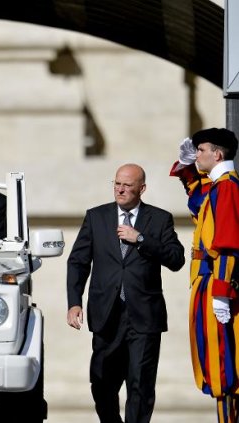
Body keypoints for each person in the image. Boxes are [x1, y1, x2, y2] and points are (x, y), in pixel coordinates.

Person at [66, 163, 185, 423]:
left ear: (141, 189)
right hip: (106, 314)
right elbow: (78, 261)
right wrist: (74, 302)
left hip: (144, 316)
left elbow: (177, 259)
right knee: (101, 382)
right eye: (117, 183)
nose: (120, 189)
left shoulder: (160, 218)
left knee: (140, 384)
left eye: (127, 185)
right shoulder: (96, 216)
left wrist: (141, 239)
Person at [169, 128, 239, 423]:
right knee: (213, 361)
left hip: (216, 284)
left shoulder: (227, 187)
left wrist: (222, 291)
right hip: (207, 283)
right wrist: (188, 168)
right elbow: (198, 200)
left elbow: (227, 243)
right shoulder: (217, 186)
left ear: (217, 154)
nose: (196, 155)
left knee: (222, 363)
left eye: (201, 151)